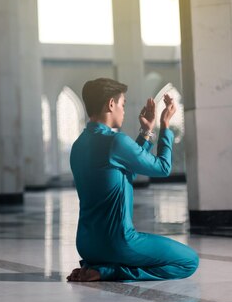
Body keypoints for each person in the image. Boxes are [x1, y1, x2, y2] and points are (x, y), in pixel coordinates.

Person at [66, 78, 199, 282]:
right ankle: (110, 271)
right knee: (189, 261)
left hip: (86, 246)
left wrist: (146, 132)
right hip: (118, 242)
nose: (124, 110)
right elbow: (163, 168)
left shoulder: (78, 146)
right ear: (111, 104)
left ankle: (100, 266)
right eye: (123, 104)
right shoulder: (115, 141)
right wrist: (164, 126)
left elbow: (125, 173)